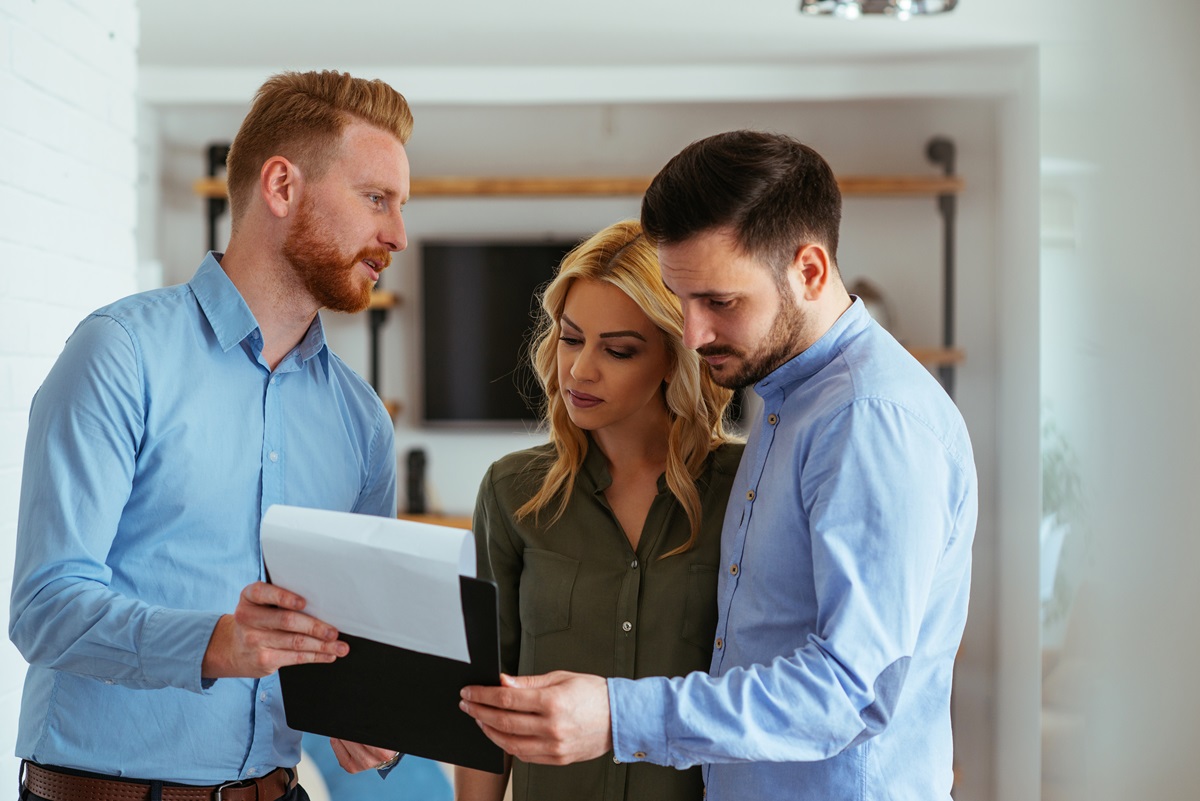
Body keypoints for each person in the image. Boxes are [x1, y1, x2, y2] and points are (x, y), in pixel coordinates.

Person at [458, 130, 978, 801]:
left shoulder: (869, 419)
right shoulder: (789, 402)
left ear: (810, 271)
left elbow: (851, 690)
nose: (695, 334)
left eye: (720, 302)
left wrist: (620, 715)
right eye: (683, 300)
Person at [9, 70, 413, 801]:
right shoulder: (120, 353)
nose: (398, 235)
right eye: (376, 199)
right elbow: (46, 605)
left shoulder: (363, 424)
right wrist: (213, 641)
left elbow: (347, 639)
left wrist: (367, 709)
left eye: (400, 207)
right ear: (283, 188)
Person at [454, 220, 743, 801]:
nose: (580, 370)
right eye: (570, 337)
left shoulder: (744, 489)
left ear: (674, 354)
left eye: (618, 349)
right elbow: (485, 698)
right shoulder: (513, 492)